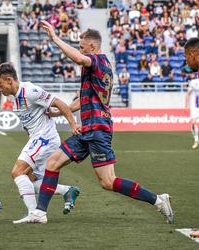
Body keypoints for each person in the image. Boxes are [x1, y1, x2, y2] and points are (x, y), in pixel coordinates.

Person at [16, 21, 174, 224]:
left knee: (108, 182)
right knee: (53, 163)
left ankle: (158, 200)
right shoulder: (97, 67)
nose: (80, 50)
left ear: (92, 47)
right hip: (86, 129)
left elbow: (78, 58)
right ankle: (40, 213)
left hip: (98, 128)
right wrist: (57, 112)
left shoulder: (98, 60)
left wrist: (55, 38)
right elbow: (84, 100)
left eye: (82, 46)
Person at [0, 62, 81, 223]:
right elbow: (29, 125)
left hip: (45, 138)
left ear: (9, 80)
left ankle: (35, 213)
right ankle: (67, 190)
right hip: (37, 139)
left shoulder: (30, 91)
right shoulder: (14, 99)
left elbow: (59, 103)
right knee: (30, 179)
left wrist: (73, 125)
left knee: (17, 172)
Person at [184, 37, 199, 149]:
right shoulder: (193, 82)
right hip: (195, 107)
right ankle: (196, 139)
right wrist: (186, 105)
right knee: (193, 123)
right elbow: (188, 94)